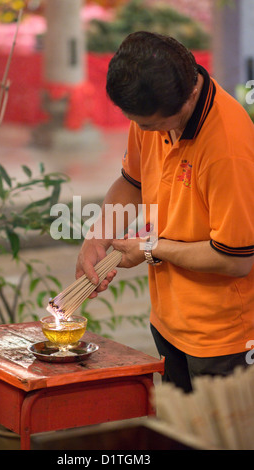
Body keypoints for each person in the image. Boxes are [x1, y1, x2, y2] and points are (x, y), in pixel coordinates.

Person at [75, 31, 254, 393]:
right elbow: (132, 182)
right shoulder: (154, 104)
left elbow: (236, 259)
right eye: (138, 122)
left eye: (152, 124)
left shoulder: (229, 148)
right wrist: (97, 237)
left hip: (225, 336)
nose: (144, 132)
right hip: (169, 318)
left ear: (189, 95)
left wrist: (150, 249)